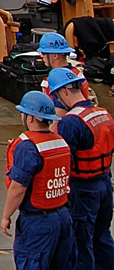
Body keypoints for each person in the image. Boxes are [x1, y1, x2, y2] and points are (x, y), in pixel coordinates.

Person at [0, 90, 74, 270]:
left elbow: (18, 188)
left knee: (32, 263)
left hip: (38, 222)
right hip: (63, 217)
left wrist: (5, 217)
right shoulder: (61, 142)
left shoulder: (27, 147)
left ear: (31, 118)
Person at [49, 67, 114, 270]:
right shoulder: (103, 114)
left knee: (81, 241)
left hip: (84, 189)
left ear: (63, 93)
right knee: (102, 237)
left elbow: (63, 160)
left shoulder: (71, 122)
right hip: (105, 183)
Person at [39, 32, 91, 102]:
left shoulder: (50, 81)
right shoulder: (78, 74)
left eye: (43, 53)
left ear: (55, 55)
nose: (41, 56)